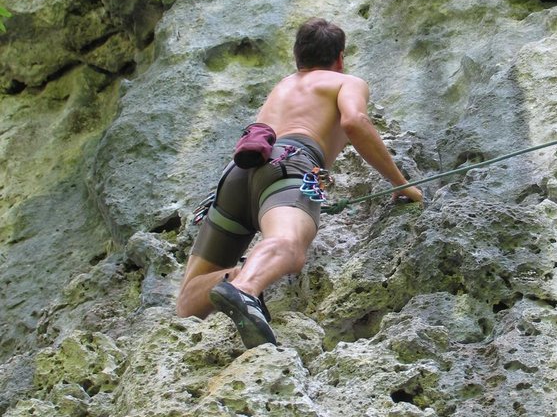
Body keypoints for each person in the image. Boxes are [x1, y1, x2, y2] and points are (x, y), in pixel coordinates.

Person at [176, 18, 422, 347]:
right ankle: (245, 289)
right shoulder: (345, 82)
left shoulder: (283, 86)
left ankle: (236, 278)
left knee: (188, 301)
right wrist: (401, 183)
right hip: (289, 166)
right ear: (340, 58)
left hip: (236, 174)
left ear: (297, 57)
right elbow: (355, 121)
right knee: (289, 245)